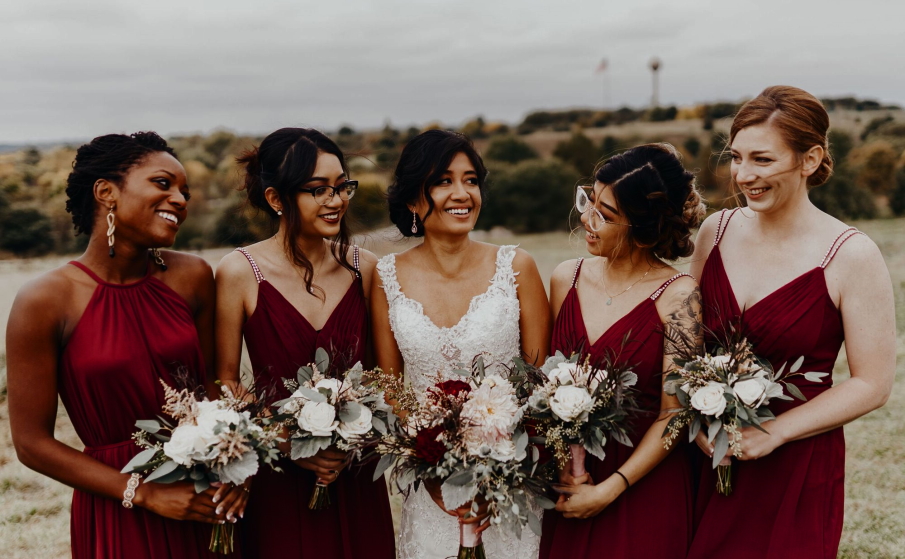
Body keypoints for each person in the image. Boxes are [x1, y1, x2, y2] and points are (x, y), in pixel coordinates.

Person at [6, 132, 242, 558]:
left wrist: (238, 472)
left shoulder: (192, 277)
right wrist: (143, 493)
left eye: (185, 191)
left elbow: (213, 388)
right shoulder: (44, 300)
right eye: (163, 183)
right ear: (106, 192)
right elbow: (30, 444)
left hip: (205, 497)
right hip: (119, 504)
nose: (181, 199)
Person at [687, 86, 896, 558]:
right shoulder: (714, 233)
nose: (744, 175)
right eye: (737, 158)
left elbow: (873, 383)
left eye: (762, 159)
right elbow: (686, 346)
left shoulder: (850, 254)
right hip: (703, 454)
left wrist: (775, 432)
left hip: (796, 463)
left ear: (810, 158)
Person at [214, 128, 394, 559]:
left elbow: (384, 376)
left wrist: (351, 436)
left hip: (353, 472)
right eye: (318, 190)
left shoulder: (364, 268)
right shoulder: (240, 271)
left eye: (341, 186)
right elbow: (222, 379)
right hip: (277, 475)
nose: (336, 200)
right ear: (276, 199)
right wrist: (285, 442)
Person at [371, 129, 551, 559]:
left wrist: (499, 467)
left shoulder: (517, 267)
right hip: (429, 486)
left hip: (510, 480)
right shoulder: (385, 277)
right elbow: (391, 389)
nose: (462, 193)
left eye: (471, 180)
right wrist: (433, 466)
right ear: (414, 200)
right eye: (443, 181)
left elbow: (539, 383)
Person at [539, 143, 705, 558]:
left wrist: (613, 487)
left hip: (643, 485)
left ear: (643, 227)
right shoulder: (566, 279)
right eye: (588, 201)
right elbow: (543, 385)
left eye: (605, 215)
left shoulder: (679, 297)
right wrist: (566, 466)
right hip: (570, 482)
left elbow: (675, 413)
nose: (586, 219)